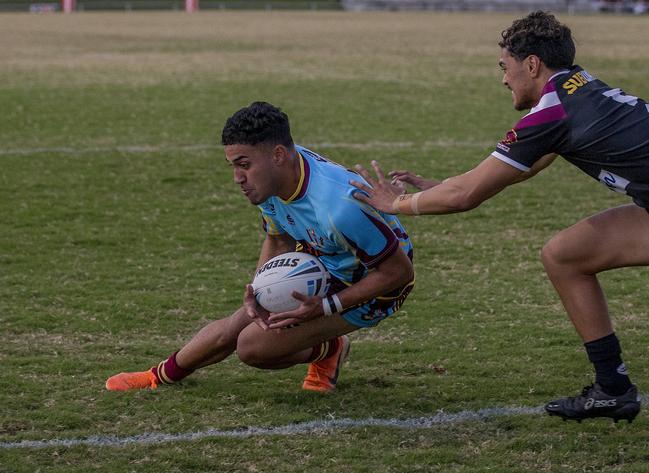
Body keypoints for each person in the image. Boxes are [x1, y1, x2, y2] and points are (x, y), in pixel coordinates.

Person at [351, 11, 648, 423]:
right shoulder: (578, 86)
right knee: (565, 255)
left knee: (565, 256)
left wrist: (394, 205)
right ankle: (612, 388)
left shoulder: (549, 113)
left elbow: (466, 197)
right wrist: (438, 187)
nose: (503, 79)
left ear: (531, 64)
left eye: (505, 67)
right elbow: (515, 169)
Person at [106, 102, 414, 394]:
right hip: (325, 254)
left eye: (243, 165)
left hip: (373, 282)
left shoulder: (339, 207)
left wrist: (324, 307)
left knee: (253, 347)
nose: (237, 178)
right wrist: (260, 289)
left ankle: (330, 347)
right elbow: (278, 238)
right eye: (233, 165)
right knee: (238, 324)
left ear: (278, 155)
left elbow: (398, 273)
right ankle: (158, 376)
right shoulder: (271, 181)